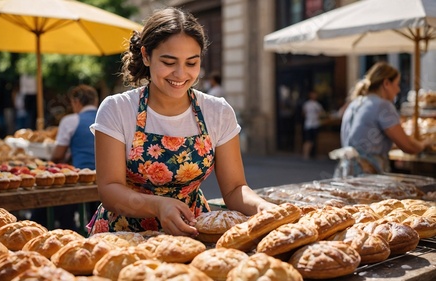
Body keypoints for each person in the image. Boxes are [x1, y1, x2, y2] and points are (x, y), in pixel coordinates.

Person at [86, 7, 277, 237]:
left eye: (191, 63)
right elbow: (109, 190)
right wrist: (157, 206)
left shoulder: (217, 112)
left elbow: (235, 188)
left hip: (192, 231)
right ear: (146, 56)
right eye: (169, 62)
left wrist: (263, 208)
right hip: (123, 236)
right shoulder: (117, 109)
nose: (180, 74)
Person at [338, 62, 433, 176]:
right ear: (386, 83)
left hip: (345, 171)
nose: (398, 90)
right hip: (367, 173)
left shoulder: (355, 103)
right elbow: (408, 146)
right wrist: (425, 144)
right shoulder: (383, 106)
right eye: (397, 84)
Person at [31, 84, 99, 231]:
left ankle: (68, 230)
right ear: (95, 101)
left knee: (59, 206)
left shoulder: (71, 120)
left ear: (76, 102)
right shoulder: (108, 117)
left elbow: (57, 154)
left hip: (82, 178)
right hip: (109, 177)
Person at [302, 90, 325, 159]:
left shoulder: (316, 104)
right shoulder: (308, 104)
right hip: (309, 124)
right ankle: (306, 154)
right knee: (309, 140)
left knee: (312, 140)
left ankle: (310, 154)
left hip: (314, 124)